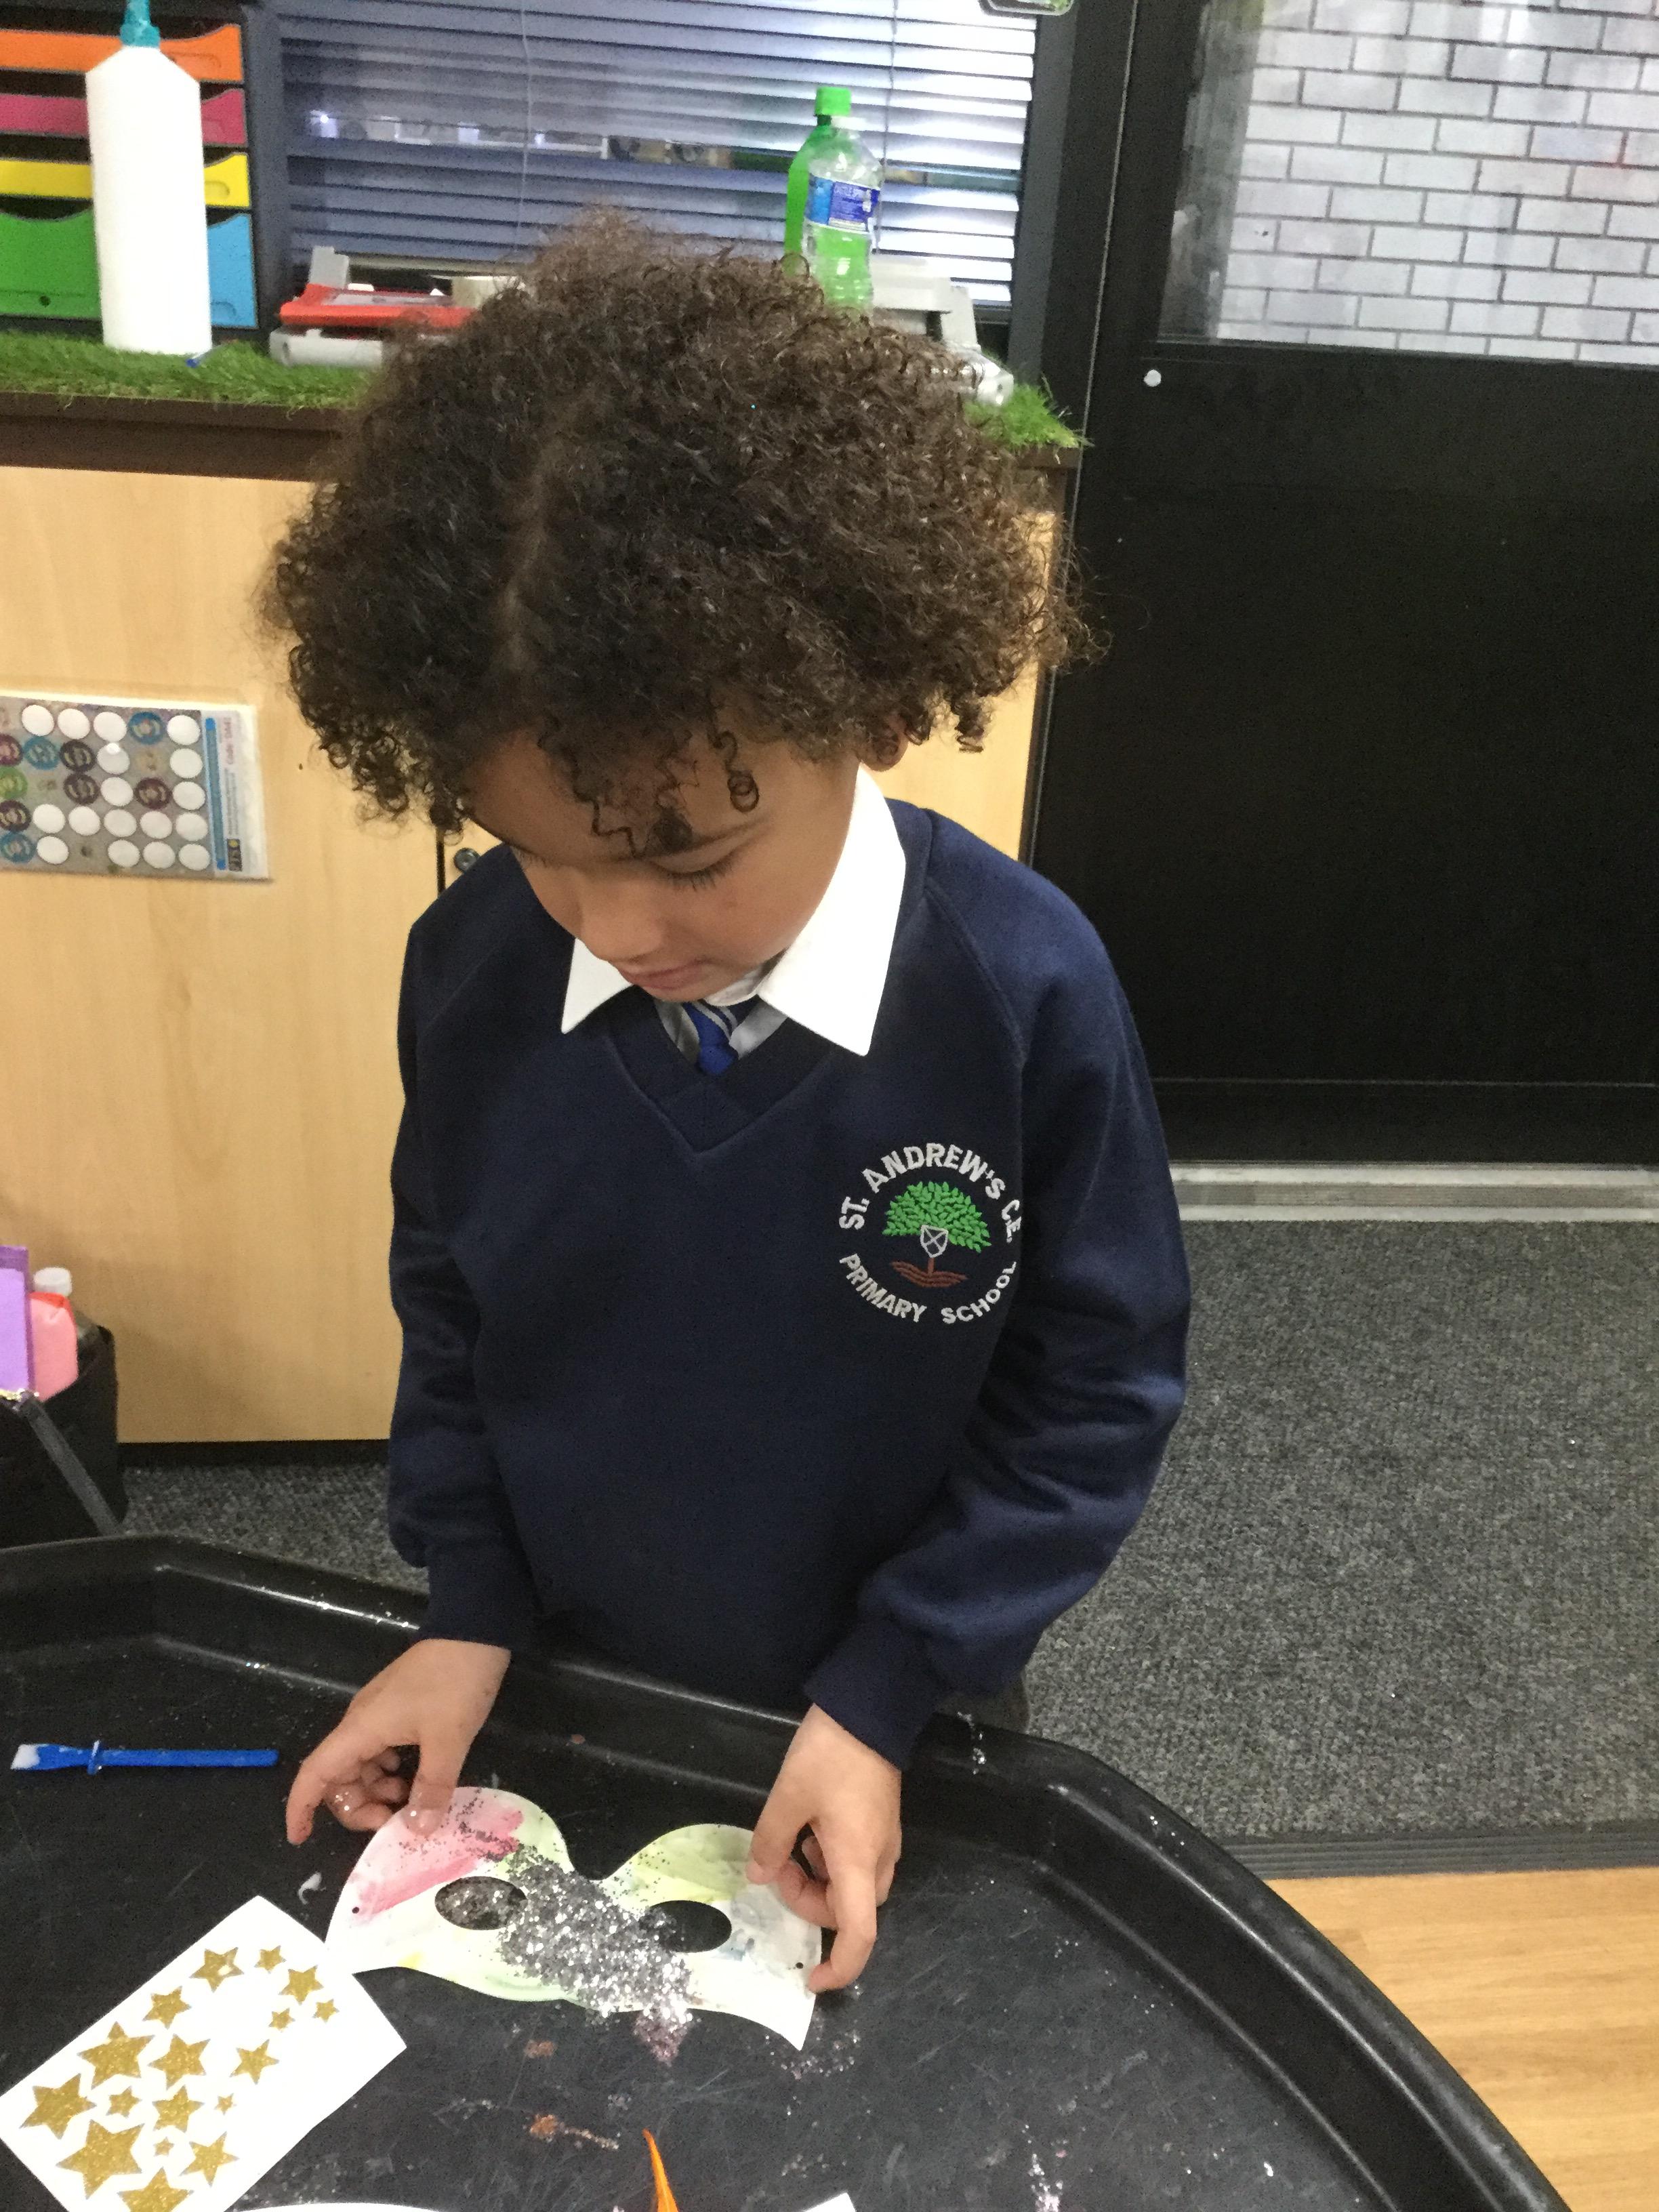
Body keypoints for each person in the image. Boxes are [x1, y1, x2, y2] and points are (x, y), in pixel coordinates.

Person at [268, 220, 1189, 1994]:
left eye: (687, 855)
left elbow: (1092, 1395)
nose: (617, 928)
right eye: (542, 855)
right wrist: (466, 1613)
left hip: (894, 1712)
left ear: (867, 708)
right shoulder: (473, 974)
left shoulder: (1025, 995)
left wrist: (888, 1688)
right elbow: (452, 1309)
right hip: (559, 1675)